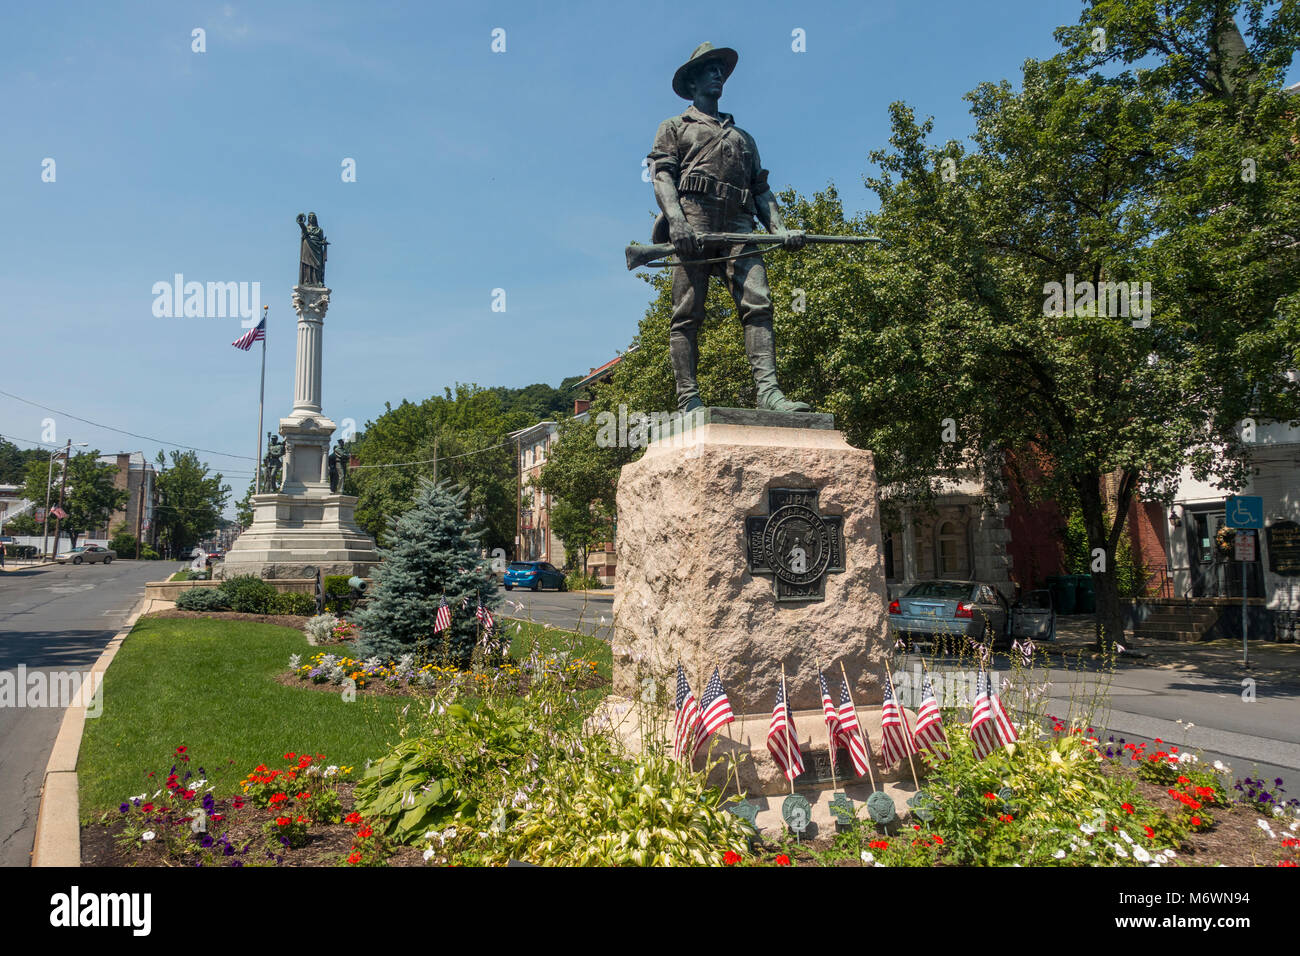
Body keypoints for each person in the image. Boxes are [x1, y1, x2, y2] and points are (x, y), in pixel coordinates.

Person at [648, 42, 810, 414]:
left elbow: (761, 191)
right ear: (692, 81)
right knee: (687, 313)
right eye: (710, 68)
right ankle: (688, 398)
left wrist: (780, 230)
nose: (719, 74)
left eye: (721, 69)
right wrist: (677, 222)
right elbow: (662, 177)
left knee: (759, 304)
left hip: (741, 224)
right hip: (695, 222)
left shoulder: (743, 138)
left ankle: (769, 393)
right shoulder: (674, 127)